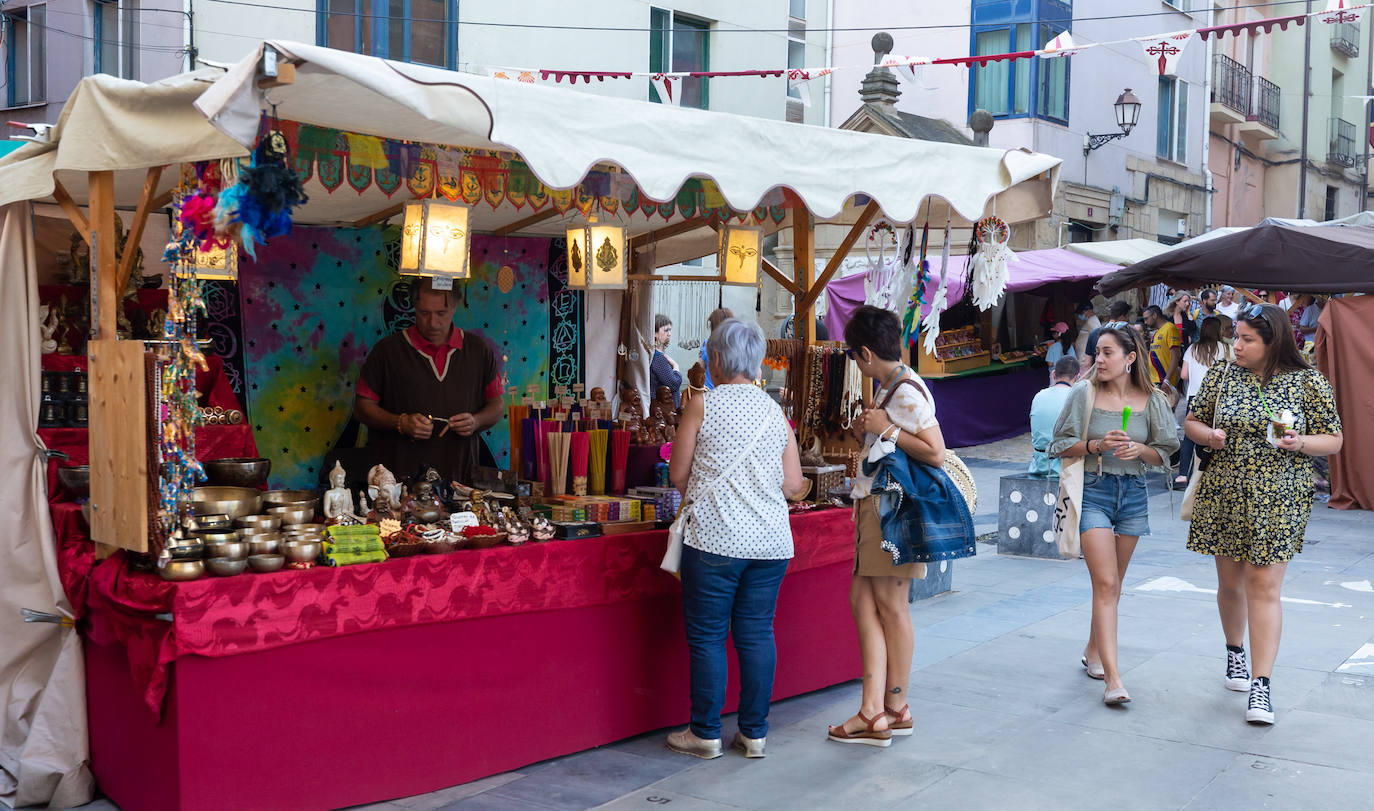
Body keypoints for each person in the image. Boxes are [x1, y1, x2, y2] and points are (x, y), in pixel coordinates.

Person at [1183, 304, 1342, 725]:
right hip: (1225, 491)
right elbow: (1192, 421)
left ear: (1273, 342)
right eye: (1235, 337)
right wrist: (1209, 435)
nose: (1236, 346)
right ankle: (1235, 653)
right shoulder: (1221, 374)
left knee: (1264, 586)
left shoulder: (1307, 380)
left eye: (1246, 339)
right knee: (1230, 583)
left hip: (1280, 496)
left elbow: (1335, 439)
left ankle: (1262, 684)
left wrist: (1300, 442)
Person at [666, 318, 806, 759]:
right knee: (757, 633)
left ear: (720, 359)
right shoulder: (774, 412)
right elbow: (793, 483)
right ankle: (754, 733)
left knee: (708, 637)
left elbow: (677, 474)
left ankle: (705, 733)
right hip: (770, 544)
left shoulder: (701, 405)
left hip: (713, 542)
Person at [828, 306, 951, 747]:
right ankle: (876, 708)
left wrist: (887, 430)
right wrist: (874, 426)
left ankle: (890, 708)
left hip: (892, 509)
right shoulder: (896, 386)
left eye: (852, 356)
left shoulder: (904, 392)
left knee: (891, 606)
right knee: (864, 600)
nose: (855, 364)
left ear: (864, 353)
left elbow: (935, 451)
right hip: (881, 507)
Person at [1050, 328, 1179, 705]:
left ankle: (1093, 650)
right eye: (1096, 353)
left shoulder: (1153, 400)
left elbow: (1166, 453)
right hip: (1093, 492)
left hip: (1134, 495)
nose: (1099, 360)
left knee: (1114, 585)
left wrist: (1139, 449)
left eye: (1107, 352)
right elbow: (1057, 444)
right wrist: (1095, 445)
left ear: (1130, 357)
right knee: (1106, 585)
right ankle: (1114, 679)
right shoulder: (1083, 393)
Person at [353, 277, 504, 486]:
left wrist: (476, 421)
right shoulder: (387, 351)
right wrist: (400, 422)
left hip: (461, 481)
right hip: (399, 484)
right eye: (424, 313)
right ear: (414, 306)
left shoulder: (478, 351)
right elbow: (362, 408)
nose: (433, 323)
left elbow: (497, 406)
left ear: (455, 306)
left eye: (441, 313)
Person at [1174, 316, 1232, 489]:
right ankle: (1212, 473)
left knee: (1189, 437)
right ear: (1219, 330)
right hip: (1218, 397)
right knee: (1216, 434)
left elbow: (1184, 375)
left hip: (1194, 396)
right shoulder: (1226, 348)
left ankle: (1182, 476)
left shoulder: (1193, 348)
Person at [1028, 356, 1080, 476]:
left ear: (1054, 374)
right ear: (1077, 378)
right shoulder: (1075, 397)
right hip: (1064, 468)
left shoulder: (1038, 396)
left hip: (1038, 465)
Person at [1083, 301, 1131, 371]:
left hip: (1097, 376)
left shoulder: (1094, 333)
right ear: (1123, 317)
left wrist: (1088, 380)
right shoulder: (1127, 334)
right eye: (1128, 316)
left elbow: (1087, 364)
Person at [1143, 304, 1182, 388]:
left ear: (1154, 315)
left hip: (1163, 381)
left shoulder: (1170, 329)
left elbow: (1175, 356)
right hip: (1154, 381)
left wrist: (1167, 380)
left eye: (1146, 319)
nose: (1145, 322)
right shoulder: (1157, 332)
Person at [650, 314, 683, 409]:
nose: (669, 334)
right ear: (655, 333)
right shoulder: (657, 357)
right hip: (663, 411)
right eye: (666, 330)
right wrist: (676, 366)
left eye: (670, 330)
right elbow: (674, 383)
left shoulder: (655, 354)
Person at [699, 307, 735, 390]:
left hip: (709, 390)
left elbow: (699, 367)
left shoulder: (707, 343)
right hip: (732, 392)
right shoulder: (738, 344)